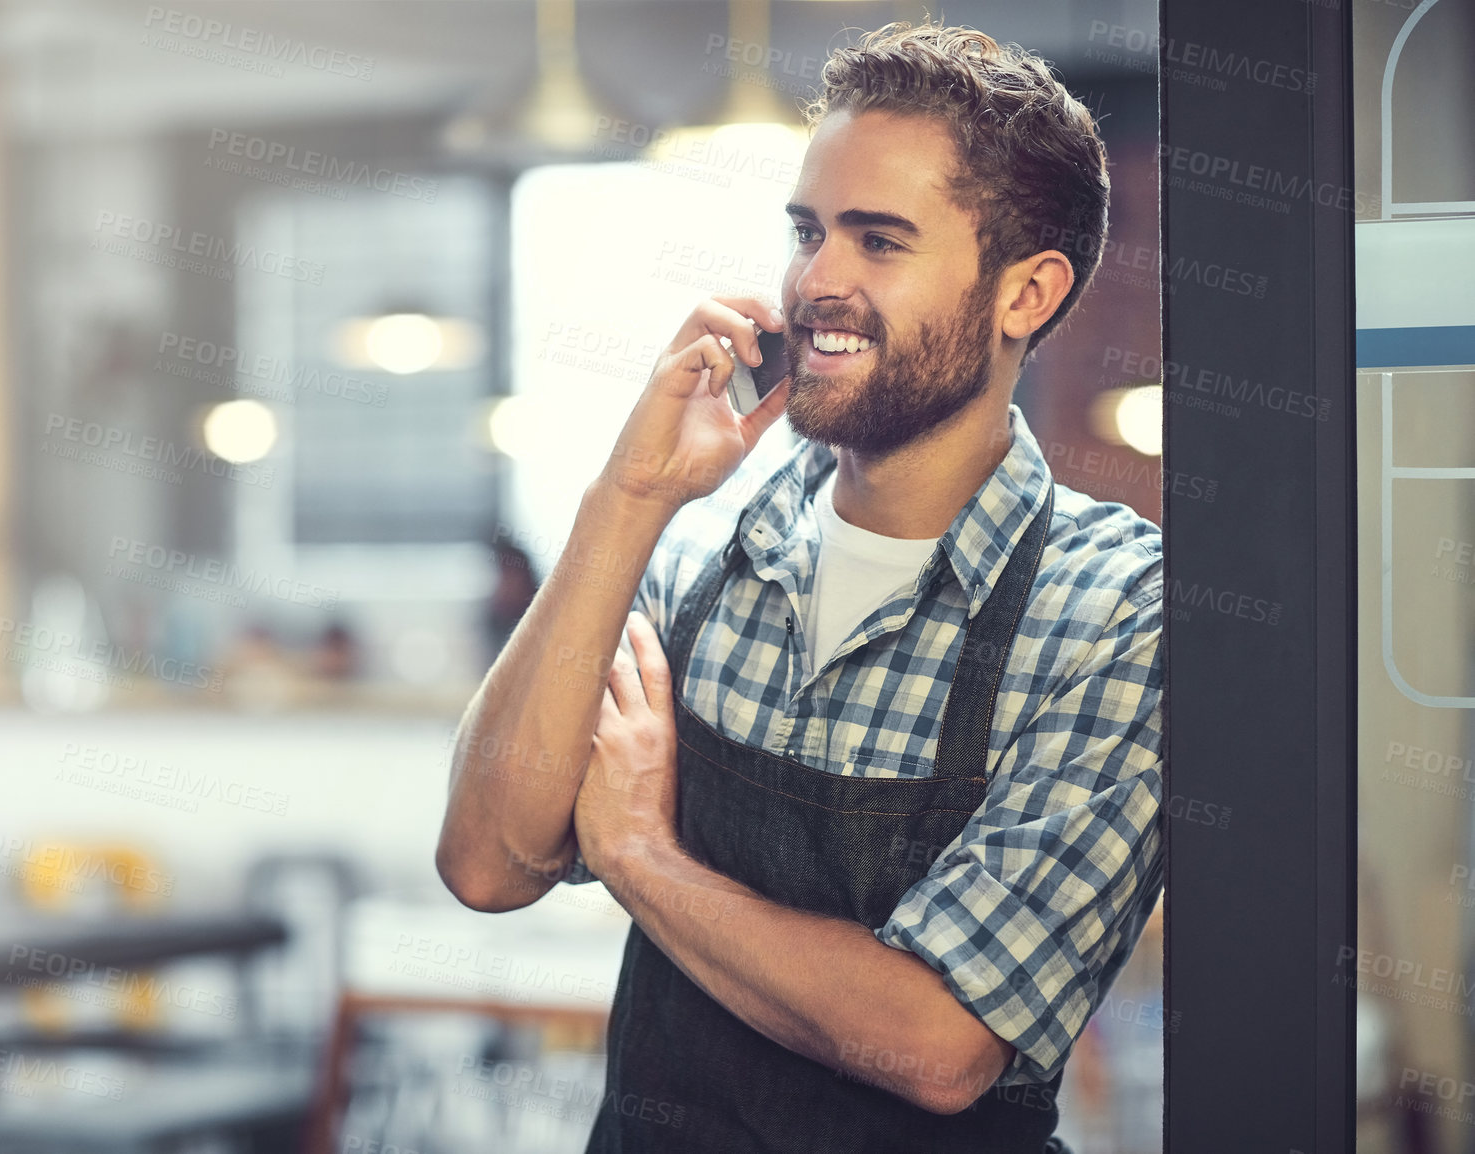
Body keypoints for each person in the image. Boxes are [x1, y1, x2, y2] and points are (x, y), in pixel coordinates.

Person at [437, 22, 1162, 1153]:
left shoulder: (1111, 607)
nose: (816, 282)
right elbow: (487, 860)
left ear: (1025, 293)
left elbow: (938, 1041)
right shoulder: (702, 560)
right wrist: (627, 496)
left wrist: (640, 854)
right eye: (808, 232)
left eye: (878, 242)